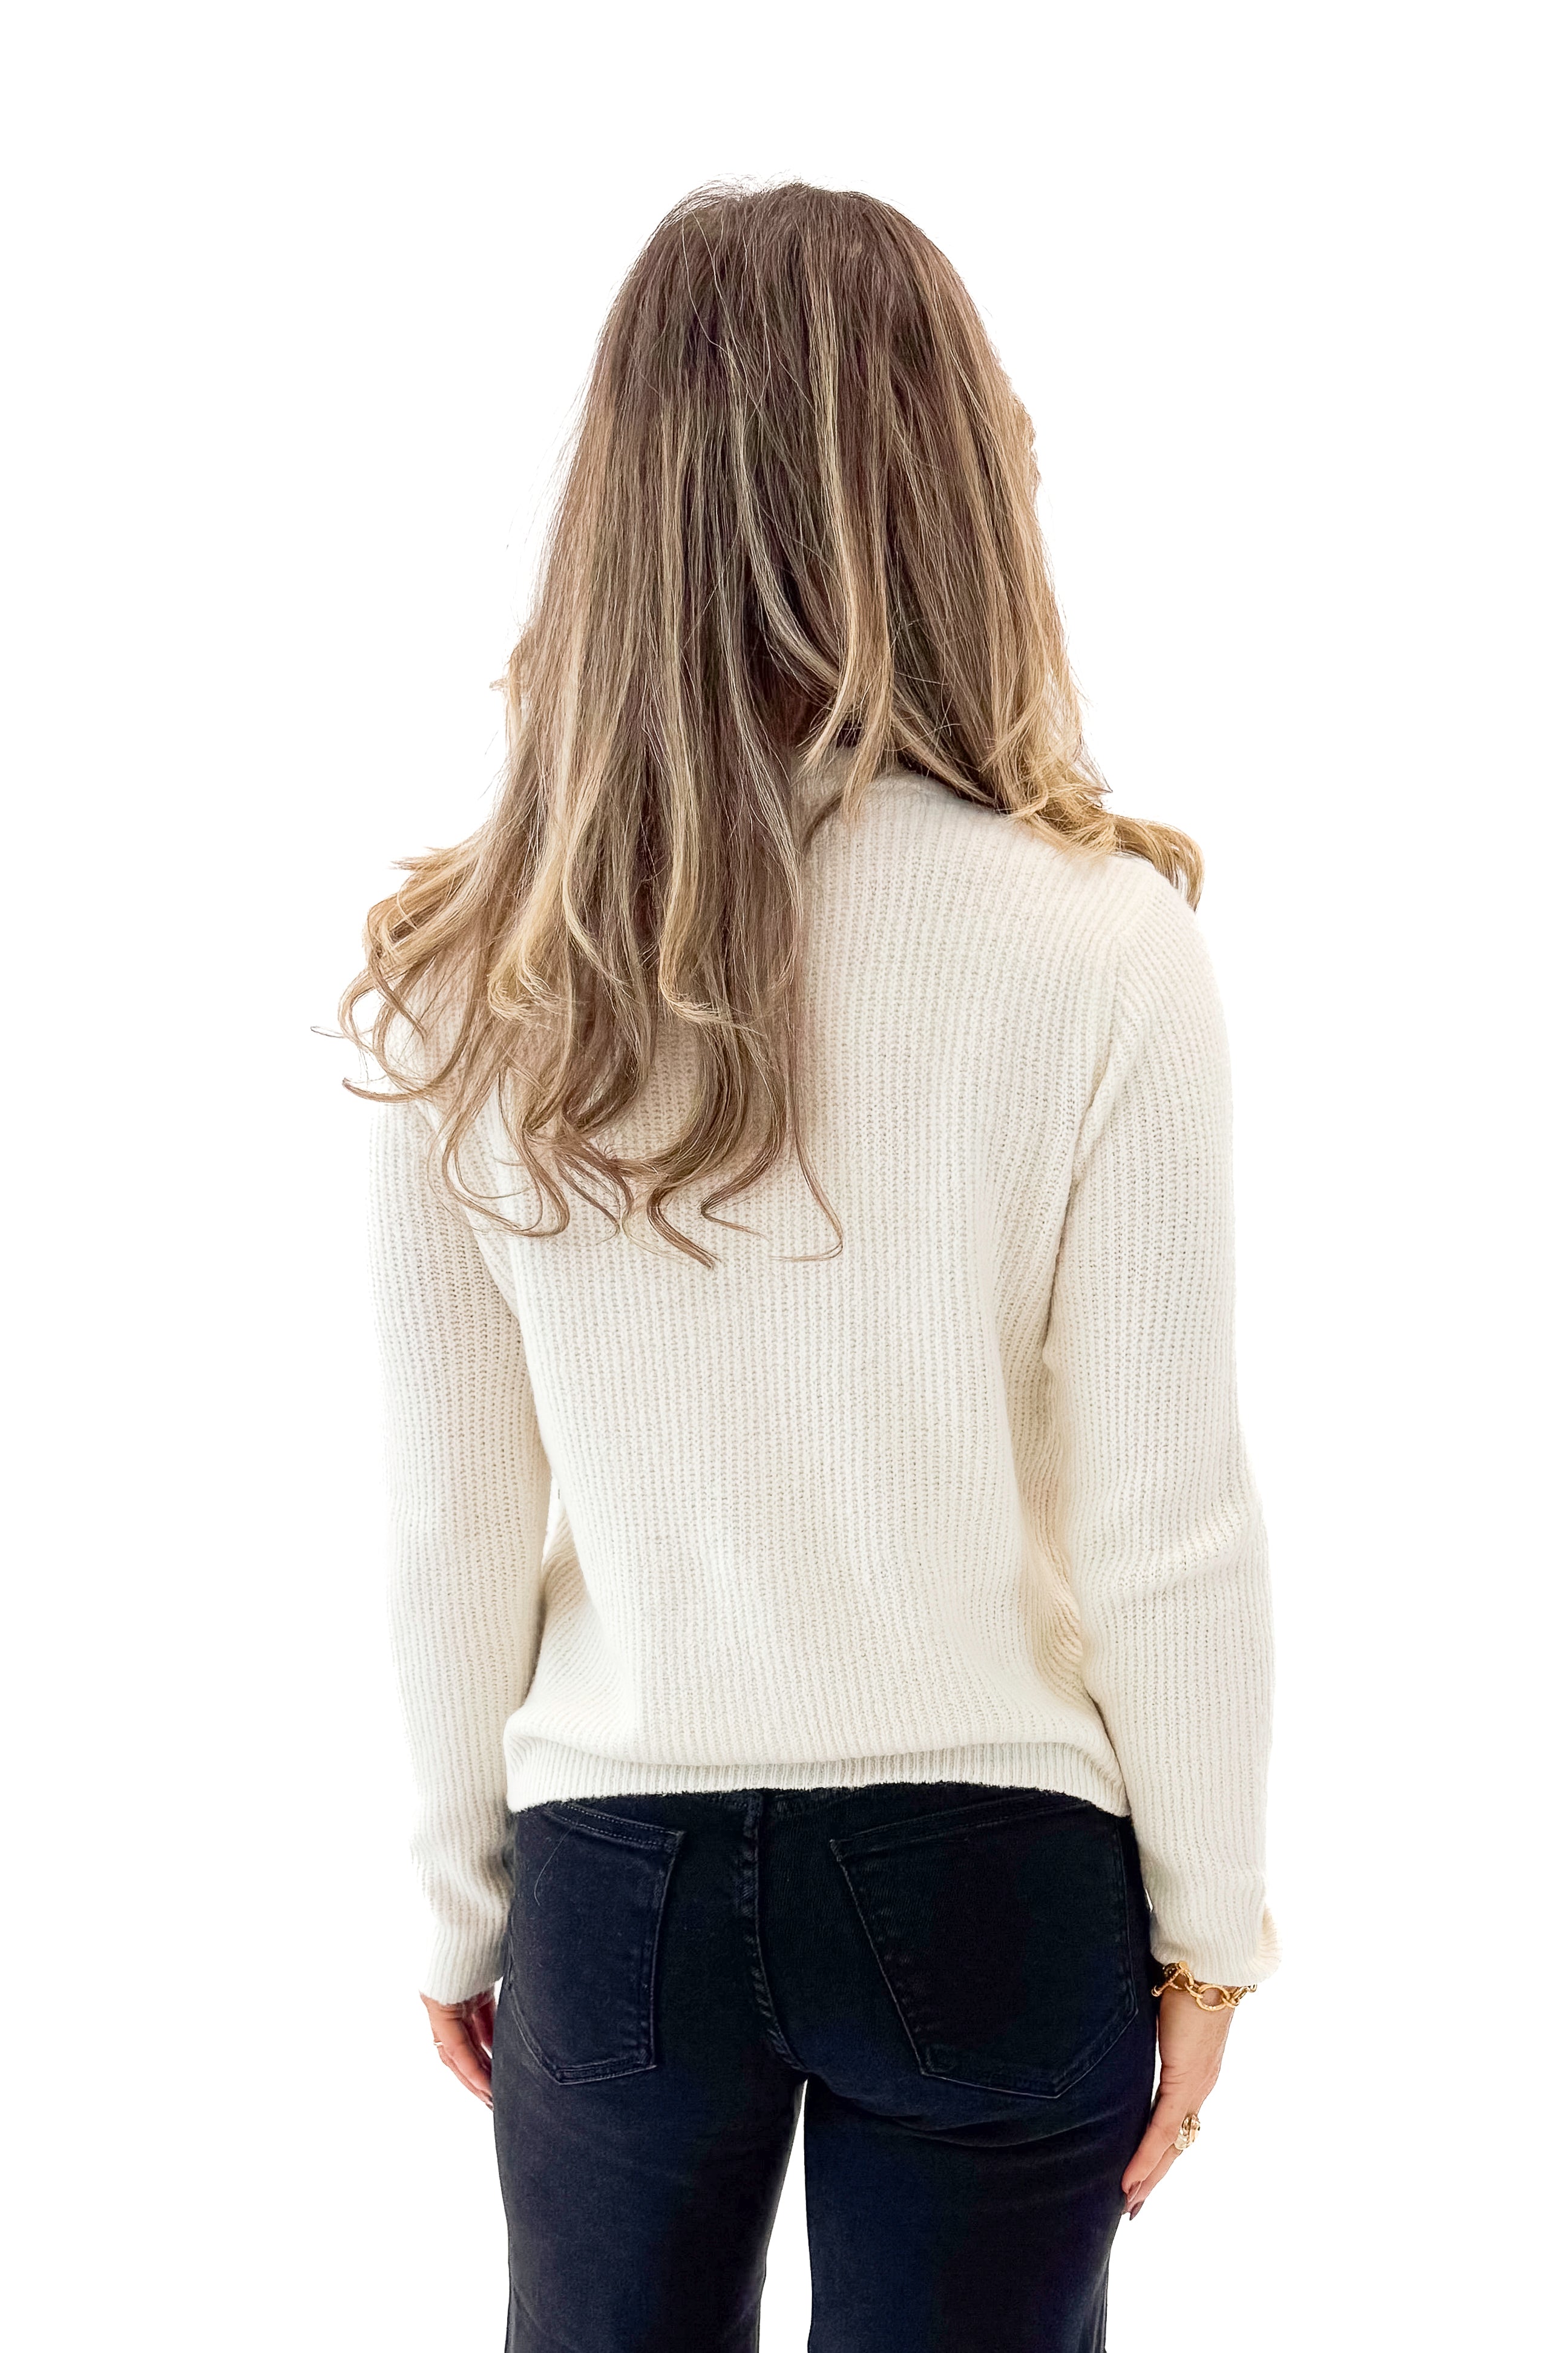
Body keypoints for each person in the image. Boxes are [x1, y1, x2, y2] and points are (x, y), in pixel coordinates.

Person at [340, 178, 1279, 2353]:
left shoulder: (478, 984)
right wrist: (1213, 1923)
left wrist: (453, 1898)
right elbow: (1168, 1518)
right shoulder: (1102, 952)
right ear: (959, 481)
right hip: (997, 1874)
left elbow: (450, 1533)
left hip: (616, 1891)